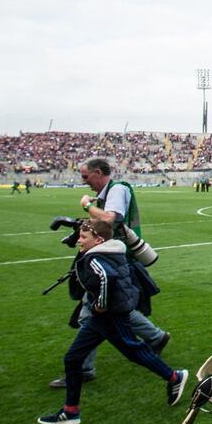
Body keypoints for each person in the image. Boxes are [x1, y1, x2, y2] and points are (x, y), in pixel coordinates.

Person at [37, 218, 188, 424]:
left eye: (83, 237)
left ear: (98, 240)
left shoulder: (95, 258)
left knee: (134, 351)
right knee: (74, 358)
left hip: (110, 315)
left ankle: (174, 377)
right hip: (101, 318)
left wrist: (100, 304)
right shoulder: (105, 252)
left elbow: (107, 277)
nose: (79, 241)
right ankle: (70, 411)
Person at [49, 157, 170, 388]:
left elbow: (109, 219)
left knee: (93, 311)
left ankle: (83, 367)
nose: (85, 182)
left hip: (115, 259)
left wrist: (86, 205)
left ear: (97, 172)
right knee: (114, 309)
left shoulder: (118, 189)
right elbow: (102, 225)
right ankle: (155, 337)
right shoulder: (107, 194)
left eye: (86, 177)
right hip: (111, 256)